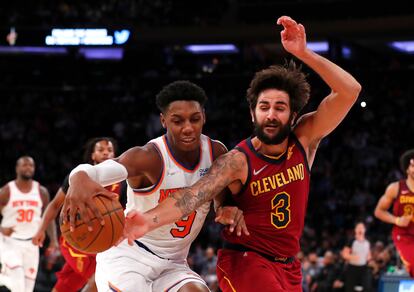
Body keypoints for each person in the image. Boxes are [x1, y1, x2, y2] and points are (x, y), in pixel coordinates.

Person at [99, 15, 362, 292]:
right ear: (253, 113)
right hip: (246, 262)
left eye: (279, 107)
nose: (271, 114)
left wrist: (303, 53)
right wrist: (147, 221)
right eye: (264, 107)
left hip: (288, 266)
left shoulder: (305, 140)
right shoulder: (237, 160)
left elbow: (350, 91)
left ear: (293, 114)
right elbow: (193, 196)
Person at [63, 80, 247, 291]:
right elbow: (95, 172)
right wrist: (78, 177)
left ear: (204, 116)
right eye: (177, 121)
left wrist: (225, 208)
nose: (188, 128)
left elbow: (221, 199)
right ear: (163, 120)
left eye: (194, 119)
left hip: (175, 263)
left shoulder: (216, 153)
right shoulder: (148, 158)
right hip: (130, 254)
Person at [32, 137, 125, 292]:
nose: (106, 153)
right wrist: (41, 229)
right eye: (100, 150)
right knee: (98, 278)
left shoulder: (121, 180)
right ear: (93, 155)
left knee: (66, 285)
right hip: (76, 238)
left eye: (109, 150)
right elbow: (55, 205)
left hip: (103, 241)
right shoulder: (79, 177)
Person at [0, 156, 52, 292]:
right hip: (10, 243)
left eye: (31, 165)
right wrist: (1, 228)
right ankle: (4, 275)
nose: (28, 168)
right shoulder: (6, 191)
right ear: (17, 168)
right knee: (18, 285)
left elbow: (49, 217)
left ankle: (3, 277)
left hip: (32, 244)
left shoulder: (41, 192)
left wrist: (54, 242)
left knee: (27, 289)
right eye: (24, 165)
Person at [374, 149, 414, 277]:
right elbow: (379, 211)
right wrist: (397, 220)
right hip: (404, 235)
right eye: (413, 165)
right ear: (407, 169)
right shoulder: (396, 188)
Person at [341, 221, 372, 292]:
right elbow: (344, 254)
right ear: (355, 230)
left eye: (362, 228)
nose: (360, 229)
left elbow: (368, 254)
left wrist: (369, 258)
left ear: (365, 230)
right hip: (352, 268)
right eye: (358, 228)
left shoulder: (368, 242)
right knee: (350, 288)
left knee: (367, 287)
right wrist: (352, 257)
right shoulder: (352, 241)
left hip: (364, 268)